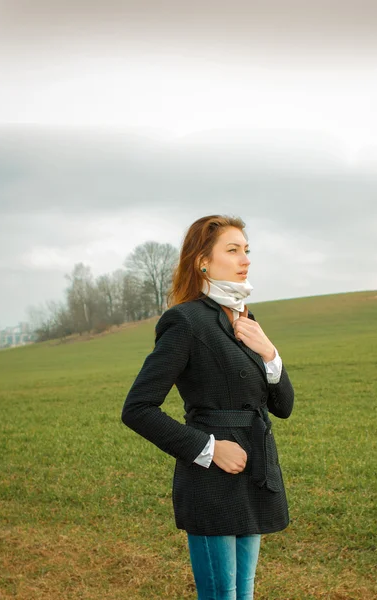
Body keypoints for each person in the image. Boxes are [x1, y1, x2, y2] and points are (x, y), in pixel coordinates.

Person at [121, 215, 295, 600]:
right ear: (202, 261)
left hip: (253, 470)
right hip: (211, 481)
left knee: (243, 595)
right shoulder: (185, 322)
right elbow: (137, 408)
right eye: (232, 250)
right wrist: (210, 449)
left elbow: (283, 407)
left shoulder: (246, 320)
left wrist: (269, 352)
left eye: (246, 250)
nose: (244, 259)